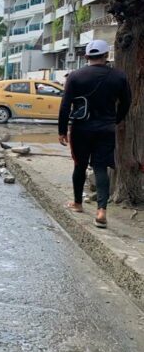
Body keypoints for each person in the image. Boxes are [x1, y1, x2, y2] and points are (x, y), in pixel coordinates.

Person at [58, 39, 131, 229]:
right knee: (100, 168)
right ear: (106, 56)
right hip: (106, 129)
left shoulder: (75, 76)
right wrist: (115, 120)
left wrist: (61, 130)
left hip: (81, 129)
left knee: (79, 165)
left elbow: (65, 106)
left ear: (86, 56)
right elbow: (126, 102)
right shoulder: (119, 77)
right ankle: (101, 211)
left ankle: (77, 203)